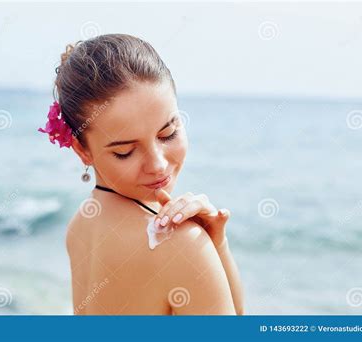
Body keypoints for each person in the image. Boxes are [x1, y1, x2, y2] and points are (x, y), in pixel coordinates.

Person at [38, 34, 244, 315]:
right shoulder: (178, 244)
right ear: (82, 150)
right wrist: (203, 245)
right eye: (125, 151)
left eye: (168, 133)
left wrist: (216, 242)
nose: (157, 165)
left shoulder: (80, 226)